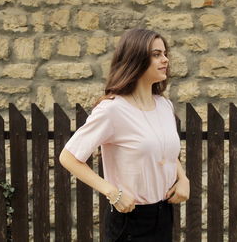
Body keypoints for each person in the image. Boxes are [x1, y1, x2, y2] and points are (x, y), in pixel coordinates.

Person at [59, 28, 190, 242]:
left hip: (164, 215)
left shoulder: (164, 105)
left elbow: (166, 150)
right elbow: (69, 157)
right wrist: (112, 192)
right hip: (129, 220)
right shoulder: (112, 110)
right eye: (156, 54)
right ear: (135, 58)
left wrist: (183, 178)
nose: (165, 59)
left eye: (165, 53)